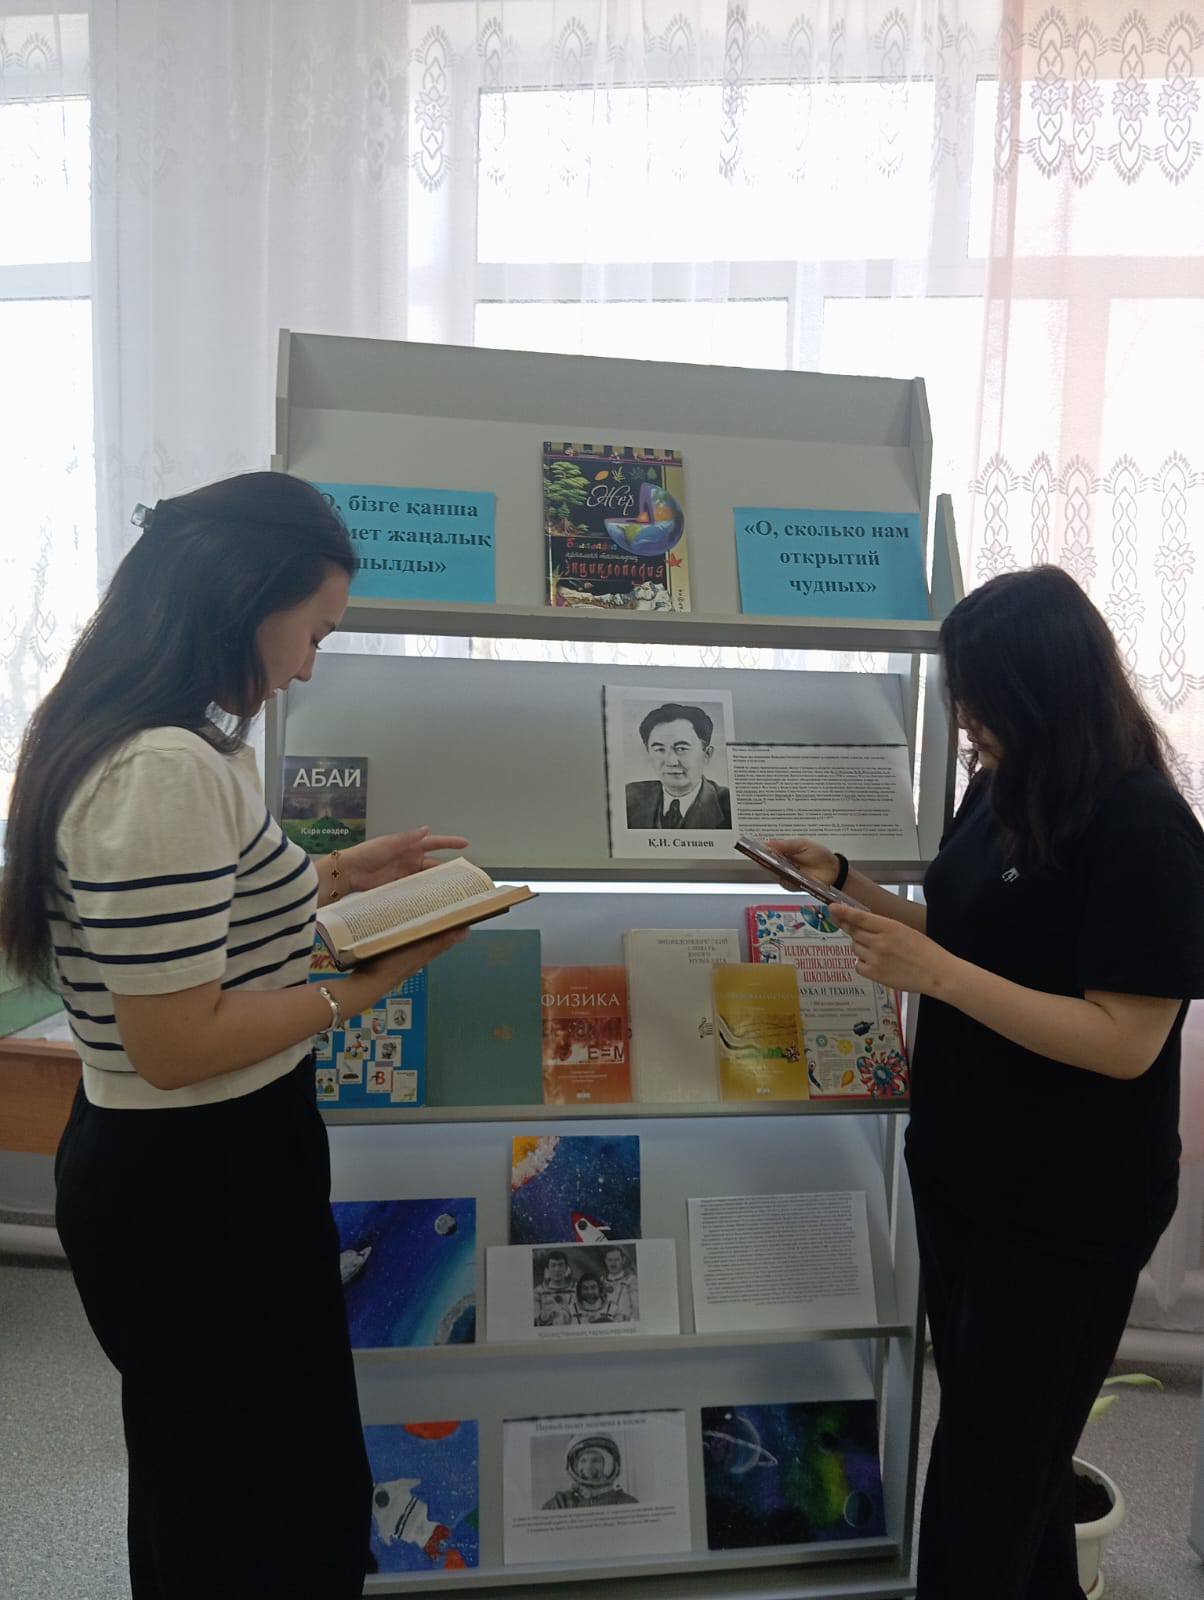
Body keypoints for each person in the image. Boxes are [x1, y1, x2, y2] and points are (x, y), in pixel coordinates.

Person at [0, 472, 470, 1600]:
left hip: (200, 1160)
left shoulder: (165, 746)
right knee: (252, 1506)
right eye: (313, 632)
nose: (307, 665)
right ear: (242, 599)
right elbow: (177, 1040)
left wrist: (336, 876)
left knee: (221, 1477)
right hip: (194, 1176)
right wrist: (365, 984)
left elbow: (203, 922)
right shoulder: (162, 768)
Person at [765, 566, 1204, 1600]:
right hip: (965, 1168)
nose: (965, 719)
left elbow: (1123, 1040)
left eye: (980, 698)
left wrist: (939, 975)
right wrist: (846, 884)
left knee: (986, 1472)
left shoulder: (1144, 825)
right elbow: (970, 933)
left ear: (1046, 689)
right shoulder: (1002, 783)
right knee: (1003, 1443)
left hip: (1068, 1204)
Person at [624, 703, 732, 829]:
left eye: (681, 748)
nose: (671, 761)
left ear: (707, 754)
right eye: (659, 749)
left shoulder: (729, 805)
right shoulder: (629, 797)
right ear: (648, 753)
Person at [542, 1435, 638, 1509]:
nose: (588, 1467)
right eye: (583, 1460)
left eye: (595, 1460)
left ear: (607, 1466)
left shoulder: (627, 1502)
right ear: (575, 1466)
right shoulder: (560, 1504)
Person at [600, 1245, 639, 1322]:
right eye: (610, 1260)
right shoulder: (600, 1281)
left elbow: (637, 1309)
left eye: (616, 1260)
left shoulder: (632, 1280)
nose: (613, 1263)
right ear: (605, 1261)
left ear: (623, 1260)